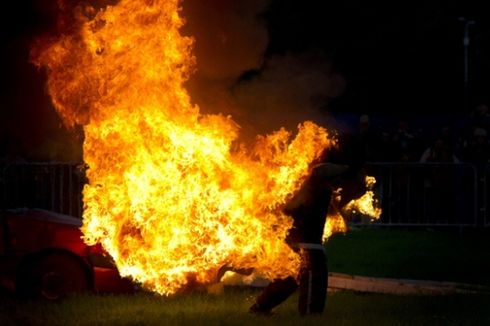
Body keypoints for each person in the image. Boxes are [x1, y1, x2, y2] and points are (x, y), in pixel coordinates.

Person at [249, 160, 366, 316]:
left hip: (299, 245)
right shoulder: (313, 183)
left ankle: (260, 308)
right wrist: (349, 169)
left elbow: (335, 207)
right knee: (313, 278)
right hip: (307, 248)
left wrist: (351, 191)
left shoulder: (320, 191)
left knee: (288, 280)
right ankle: (310, 316)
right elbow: (320, 170)